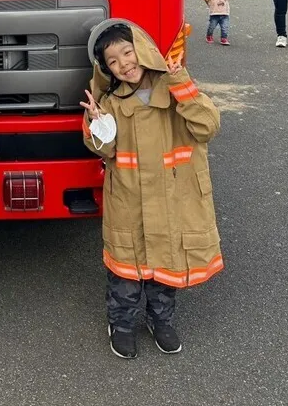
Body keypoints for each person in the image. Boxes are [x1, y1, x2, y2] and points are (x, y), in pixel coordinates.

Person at [81, 20, 222, 359]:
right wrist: (96, 122)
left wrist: (183, 85)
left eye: (127, 52)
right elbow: (105, 150)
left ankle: (162, 320)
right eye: (112, 61)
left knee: (166, 266)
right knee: (126, 272)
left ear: (142, 49)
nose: (123, 64)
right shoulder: (111, 102)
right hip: (129, 201)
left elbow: (207, 127)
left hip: (174, 199)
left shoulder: (175, 87)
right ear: (106, 69)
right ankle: (122, 323)